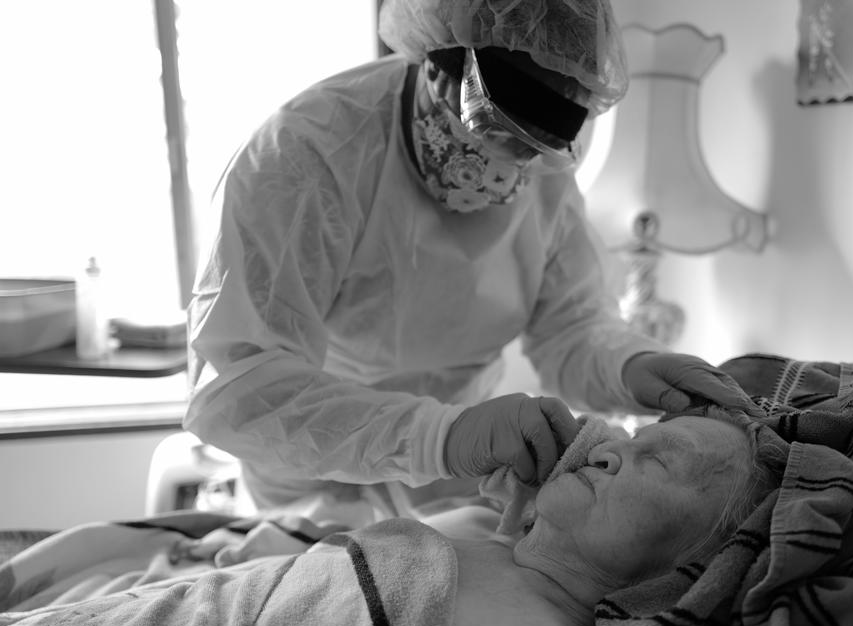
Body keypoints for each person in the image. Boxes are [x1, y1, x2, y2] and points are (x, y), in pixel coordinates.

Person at [184, 0, 760, 523]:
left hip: (453, 480)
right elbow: (240, 386)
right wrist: (443, 437)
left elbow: (572, 326)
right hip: (315, 473)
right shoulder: (309, 158)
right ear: (437, 63)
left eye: (536, 148)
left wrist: (631, 367)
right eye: (500, 133)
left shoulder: (547, 178)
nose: (514, 168)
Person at [0, 414, 776, 626]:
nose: (612, 442)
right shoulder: (492, 535)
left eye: (659, 458)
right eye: (639, 430)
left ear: (694, 570)